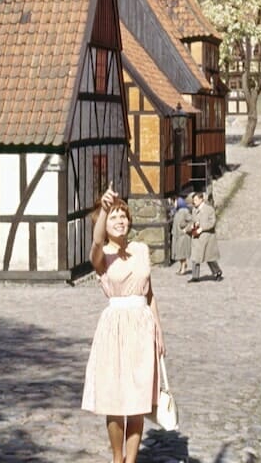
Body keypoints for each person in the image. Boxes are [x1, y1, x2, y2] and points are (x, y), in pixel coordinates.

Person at [82, 183, 166, 463]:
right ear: (104, 224)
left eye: (123, 216)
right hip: (115, 328)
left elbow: (149, 293)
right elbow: (95, 243)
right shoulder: (101, 256)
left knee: (138, 400)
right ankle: (118, 458)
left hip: (143, 327)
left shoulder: (141, 249)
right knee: (116, 400)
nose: (120, 221)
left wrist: (159, 331)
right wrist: (104, 209)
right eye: (114, 217)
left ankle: (132, 460)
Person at [188, 190, 223, 283]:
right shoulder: (194, 210)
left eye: (195, 199)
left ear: (201, 199)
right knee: (195, 257)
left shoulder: (209, 209)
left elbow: (212, 223)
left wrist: (202, 228)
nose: (193, 201)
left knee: (209, 258)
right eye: (193, 199)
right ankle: (195, 276)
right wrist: (193, 225)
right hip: (196, 238)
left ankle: (217, 272)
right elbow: (192, 220)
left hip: (207, 238)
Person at [170, 196, 192, 275]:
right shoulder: (177, 211)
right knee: (178, 253)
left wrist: (186, 229)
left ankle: (183, 267)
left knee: (182, 252)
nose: (174, 203)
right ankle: (182, 266)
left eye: (175, 201)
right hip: (177, 235)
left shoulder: (184, 211)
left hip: (183, 236)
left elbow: (191, 221)